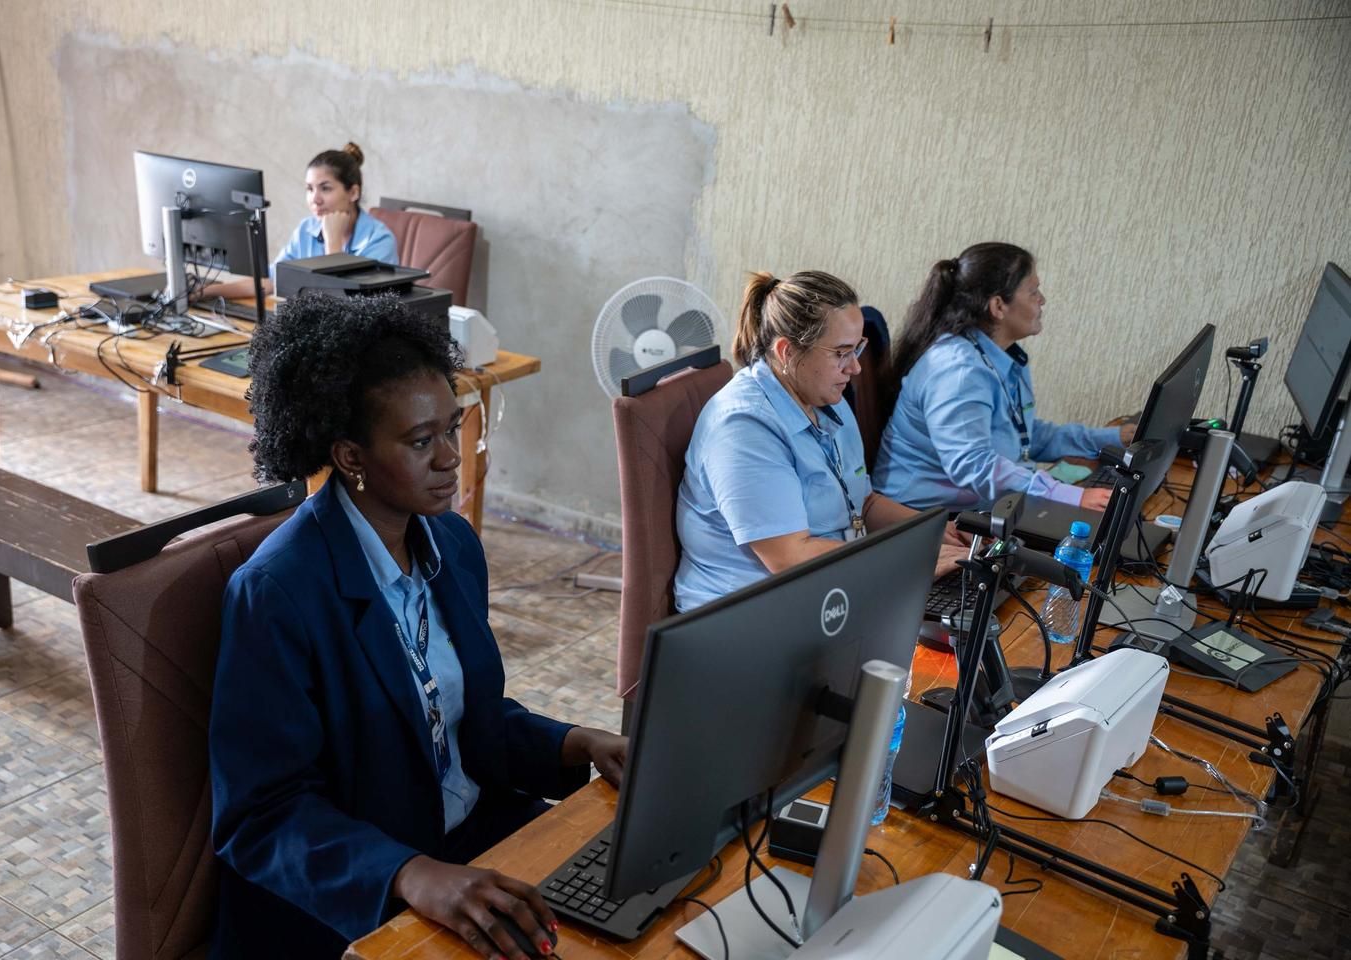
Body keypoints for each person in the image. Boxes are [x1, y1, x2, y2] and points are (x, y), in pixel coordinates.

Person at [209, 291, 626, 960]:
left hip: (467, 842)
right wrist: (409, 874)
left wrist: (578, 742)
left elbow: (457, 718)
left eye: (453, 428)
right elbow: (262, 813)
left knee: (627, 907)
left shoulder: (452, 545)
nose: (451, 457)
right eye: (420, 441)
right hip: (358, 891)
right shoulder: (278, 594)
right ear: (351, 457)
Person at [673, 270, 972, 613]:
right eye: (841, 353)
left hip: (826, 589)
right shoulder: (743, 428)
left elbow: (863, 504)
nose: (855, 368)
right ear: (786, 352)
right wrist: (911, 560)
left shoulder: (827, 399)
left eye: (857, 349)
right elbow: (789, 557)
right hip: (747, 615)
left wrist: (933, 531)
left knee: (974, 614)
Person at [873, 242, 1132, 513]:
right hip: (927, 518)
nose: (1042, 300)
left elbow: (1025, 437)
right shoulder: (958, 371)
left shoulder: (999, 355)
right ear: (998, 306)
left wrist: (1114, 439)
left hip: (976, 507)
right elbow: (973, 465)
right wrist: (1067, 496)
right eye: (1033, 292)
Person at [200, 142, 398, 300]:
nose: (315, 199)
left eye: (325, 188)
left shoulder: (379, 240)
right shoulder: (306, 230)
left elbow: (343, 304)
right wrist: (205, 292)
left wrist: (333, 243)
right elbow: (270, 281)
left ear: (353, 192)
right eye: (310, 189)